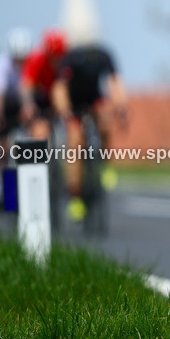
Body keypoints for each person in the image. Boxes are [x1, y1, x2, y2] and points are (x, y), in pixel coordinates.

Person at [52, 42, 128, 220]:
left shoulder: (104, 55)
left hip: (94, 99)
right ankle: (75, 195)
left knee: (105, 120)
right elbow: (60, 87)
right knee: (75, 140)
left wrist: (121, 106)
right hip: (75, 103)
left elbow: (115, 82)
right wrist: (65, 111)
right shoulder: (71, 57)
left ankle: (105, 163)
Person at [0, 28, 33, 201]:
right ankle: (1, 186)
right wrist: (0, 117)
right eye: (17, 60)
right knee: (3, 146)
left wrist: (28, 109)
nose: (20, 63)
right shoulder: (1, 64)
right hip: (5, 104)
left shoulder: (31, 63)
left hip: (23, 101)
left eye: (23, 59)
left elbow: (28, 89)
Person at [20, 28, 68, 140]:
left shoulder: (67, 61)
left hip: (58, 99)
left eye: (58, 58)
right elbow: (26, 86)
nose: (55, 61)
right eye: (52, 57)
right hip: (40, 99)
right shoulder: (36, 59)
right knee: (39, 130)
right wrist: (28, 105)